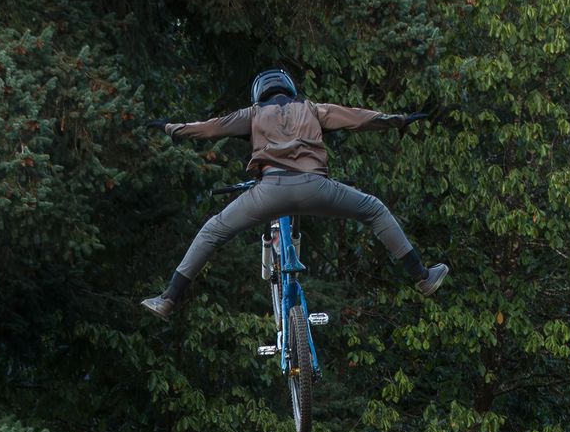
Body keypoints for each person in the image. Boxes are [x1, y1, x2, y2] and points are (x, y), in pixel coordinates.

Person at [143, 67, 447, 318]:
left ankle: (168, 298)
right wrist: (397, 120)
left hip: (269, 191)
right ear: (290, 90)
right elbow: (357, 118)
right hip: (317, 187)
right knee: (374, 210)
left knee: (212, 231)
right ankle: (422, 277)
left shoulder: (252, 113)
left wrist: (172, 128)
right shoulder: (313, 109)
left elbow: (211, 128)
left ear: (258, 94)